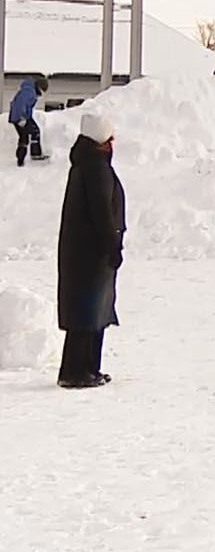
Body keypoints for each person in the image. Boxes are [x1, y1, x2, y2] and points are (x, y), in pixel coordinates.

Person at [56, 112, 124, 389]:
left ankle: (84, 368)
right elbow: (101, 211)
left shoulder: (84, 164)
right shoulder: (96, 167)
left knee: (89, 312)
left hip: (82, 251)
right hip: (92, 252)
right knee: (88, 312)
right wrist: (111, 244)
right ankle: (78, 371)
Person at [10, 75, 48, 167]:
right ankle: (21, 160)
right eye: (42, 90)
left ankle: (35, 154)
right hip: (20, 117)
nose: (41, 94)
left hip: (24, 117)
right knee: (25, 137)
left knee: (34, 131)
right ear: (38, 87)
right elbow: (19, 105)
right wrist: (21, 119)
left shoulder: (30, 90)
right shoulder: (28, 92)